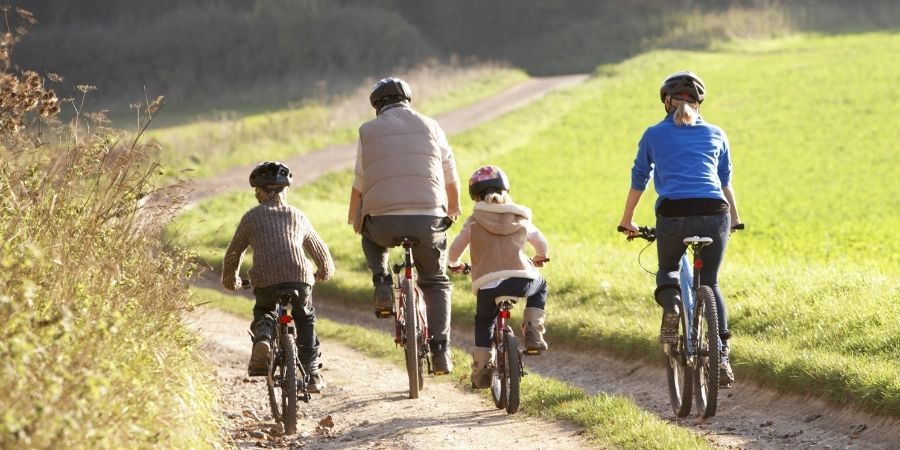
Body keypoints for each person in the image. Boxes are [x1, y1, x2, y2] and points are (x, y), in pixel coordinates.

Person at [617, 71, 743, 387]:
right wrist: (735, 218)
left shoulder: (653, 134)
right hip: (715, 213)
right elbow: (724, 181)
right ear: (698, 104)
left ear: (666, 102)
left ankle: (672, 305)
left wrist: (627, 220)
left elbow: (639, 178)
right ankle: (723, 357)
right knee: (711, 284)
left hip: (673, 215)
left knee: (669, 271)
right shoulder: (717, 133)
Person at [347, 77, 462, 374]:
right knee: (435, 283)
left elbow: (360, 181)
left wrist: (354, 217)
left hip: (382, 219)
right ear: (407, 99)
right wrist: (454, 207)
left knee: (370, 236)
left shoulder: (366, 131)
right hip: (428, 218)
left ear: (377, 106)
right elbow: (450, 172)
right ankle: (440, 352)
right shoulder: (431, 125)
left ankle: (382, 282)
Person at [222, 161, 335, 392]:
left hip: (265, 280)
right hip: (299, 277)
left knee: (265, 310)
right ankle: (312, 373)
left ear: (258, 193)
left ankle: (263, 335)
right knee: (305, 317)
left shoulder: (251, 218)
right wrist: (323, 273)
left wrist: (230, 280)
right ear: (286, 191)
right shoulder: (297, 215)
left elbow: (234, 252)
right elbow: (321, 253)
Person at [448, 166, 550, 389]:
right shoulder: (519, 216)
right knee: (540, 285)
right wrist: (541, 256)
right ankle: (533, 332)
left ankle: (482, 369)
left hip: (487, 284)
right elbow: (541, 242)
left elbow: (455, 250)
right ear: (505, 190)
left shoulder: (474, 221)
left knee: (484, 320)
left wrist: (454, 264)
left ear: (475, 197)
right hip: (520, 279)